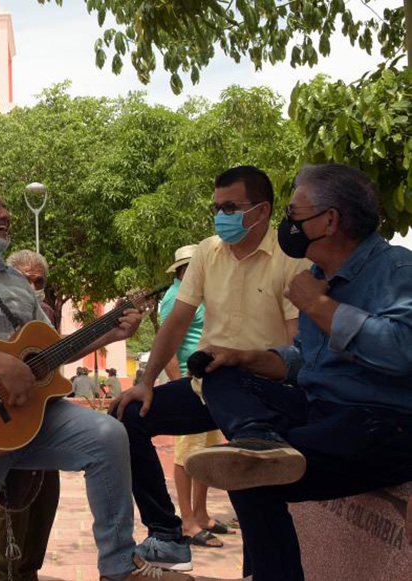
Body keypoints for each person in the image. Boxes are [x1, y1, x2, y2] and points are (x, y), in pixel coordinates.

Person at [0, 184, 191, 580]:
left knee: (108, 435)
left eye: (6, 206)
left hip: (28, 424)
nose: (5, 213)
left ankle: (118, 565)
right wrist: (2, 366)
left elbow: (49, 351)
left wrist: (110, 333)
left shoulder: (15, 281)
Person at [183, 164, 412, 580]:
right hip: (318, 407)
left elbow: (401, 351)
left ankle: (264, 452)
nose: (286, 224)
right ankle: (261, 437)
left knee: (249, 475)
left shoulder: (397, 270)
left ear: (329, 221)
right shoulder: (316, 277)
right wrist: (246, 358)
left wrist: (319, 306)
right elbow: (306, 360)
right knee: (220, 376)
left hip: (379, 423)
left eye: (293, 214)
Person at [108, 166, 309, 572]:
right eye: (216, 208)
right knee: (127, 414)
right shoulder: (207, 251)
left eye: (230, 208)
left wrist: (245, 358)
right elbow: (177, 321)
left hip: (264, 393)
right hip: (210, 387)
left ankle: (265, 569)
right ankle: (167, 533)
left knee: (250, 482)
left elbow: (298, 348)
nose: (221, 216)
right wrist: (146, 382)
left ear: (262, 210)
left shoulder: (291, 259)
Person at [0, 249, 60, 581]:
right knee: (9, 506)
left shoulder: (47, 314)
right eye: (24, 279)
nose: (32, 287)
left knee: (44, 504)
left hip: (43, 419)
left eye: (38, 282)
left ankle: (29, 572)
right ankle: (9, 574)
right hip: (4, 421)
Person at [159, 245, 227, 549]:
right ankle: (187, 520)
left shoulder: (200, 294)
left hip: (208, 382)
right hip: (190, 382)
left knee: (206, 452)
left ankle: (201, 513)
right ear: (183, 269)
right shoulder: (175, 297)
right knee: (187, 455)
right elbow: (168, 343)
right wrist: (180, 385)